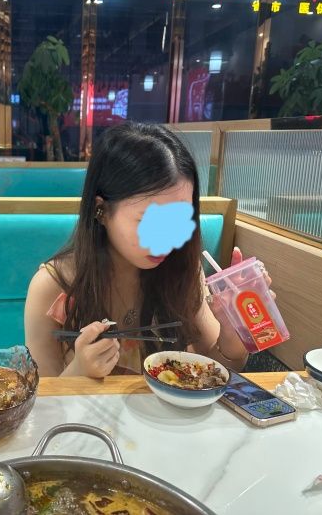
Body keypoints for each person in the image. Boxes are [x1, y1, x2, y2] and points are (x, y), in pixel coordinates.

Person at [24, 122, 274, 377]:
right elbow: (40, 396)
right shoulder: (53, 286)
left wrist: (233, 337)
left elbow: (211, 375)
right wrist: (79, 372)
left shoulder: (182, 272)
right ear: (101, 210)